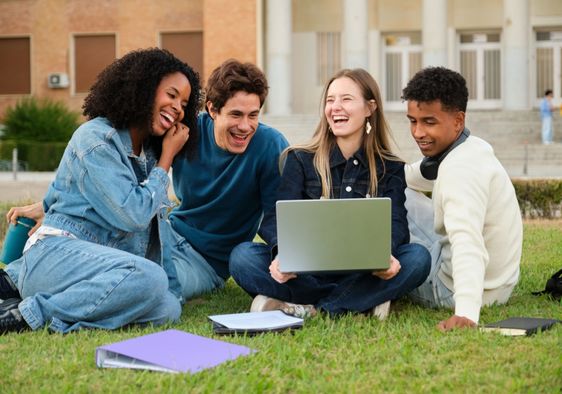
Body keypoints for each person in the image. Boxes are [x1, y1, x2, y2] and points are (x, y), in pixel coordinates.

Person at [0, 48, 201, 334]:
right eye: (171, 95)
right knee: (150, 278)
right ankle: (26, 314)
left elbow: (159, 235)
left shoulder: (147, 155)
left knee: (168, 308)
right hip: (56, 256)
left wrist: (173, 292)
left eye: (184, 103)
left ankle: (63, 313)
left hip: (98, 271)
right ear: (144, 88)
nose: (178, 108)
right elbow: (133, 215)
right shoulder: (95, 139)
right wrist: (167, 161)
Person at [229, 69, 431, 319]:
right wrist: (282, 254)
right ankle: (360, 302)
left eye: (346, 99)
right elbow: (275, 219)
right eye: (330, 100)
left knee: (418, 258)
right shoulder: (300, 159)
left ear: (369, 108)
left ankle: (311, 307)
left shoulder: (390, 167)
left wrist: (385, 256)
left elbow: (397, 223)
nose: (336, 107)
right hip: (306, 272)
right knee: (242, 257)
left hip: (365, 271)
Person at [402, 66, 523, 331]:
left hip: (452, 290)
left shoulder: (459, 171)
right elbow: (414, 176)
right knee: (399, 189)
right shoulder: (472, 148)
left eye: (429, 122)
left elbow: (467, 241)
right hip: (500, 283)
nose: (418, 132)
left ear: (458, 121)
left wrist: (466, 312)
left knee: (393, 212)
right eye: (413, 120)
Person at [165, 59, 289, 301]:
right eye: (236, 114)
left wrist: (284, 255)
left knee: (158, 283)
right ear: (212, 110)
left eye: (253, 115)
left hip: (207, 262)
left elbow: (279, 214)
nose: (245, 126)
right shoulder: (187, 132)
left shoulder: (270, 145)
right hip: (169, 235)